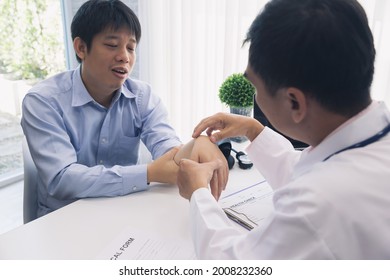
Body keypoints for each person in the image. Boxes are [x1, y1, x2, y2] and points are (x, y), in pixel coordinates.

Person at [177, 0, 390, 259]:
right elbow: (312, 170)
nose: (256, 99)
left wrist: (199, 194)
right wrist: (254, 130)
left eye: (256, 88)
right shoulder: (370, 140)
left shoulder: (316, 205)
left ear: (294, 102)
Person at [21, 0, 227, 218]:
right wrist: (148, 173)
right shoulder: (43, 101)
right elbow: (61, 179)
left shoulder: (142, 97)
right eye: (112, 45)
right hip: (63, 218)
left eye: (131, 47)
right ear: (81, 48)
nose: (125, 57)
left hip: (124, 211)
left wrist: (198, 143)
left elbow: (169, 152)